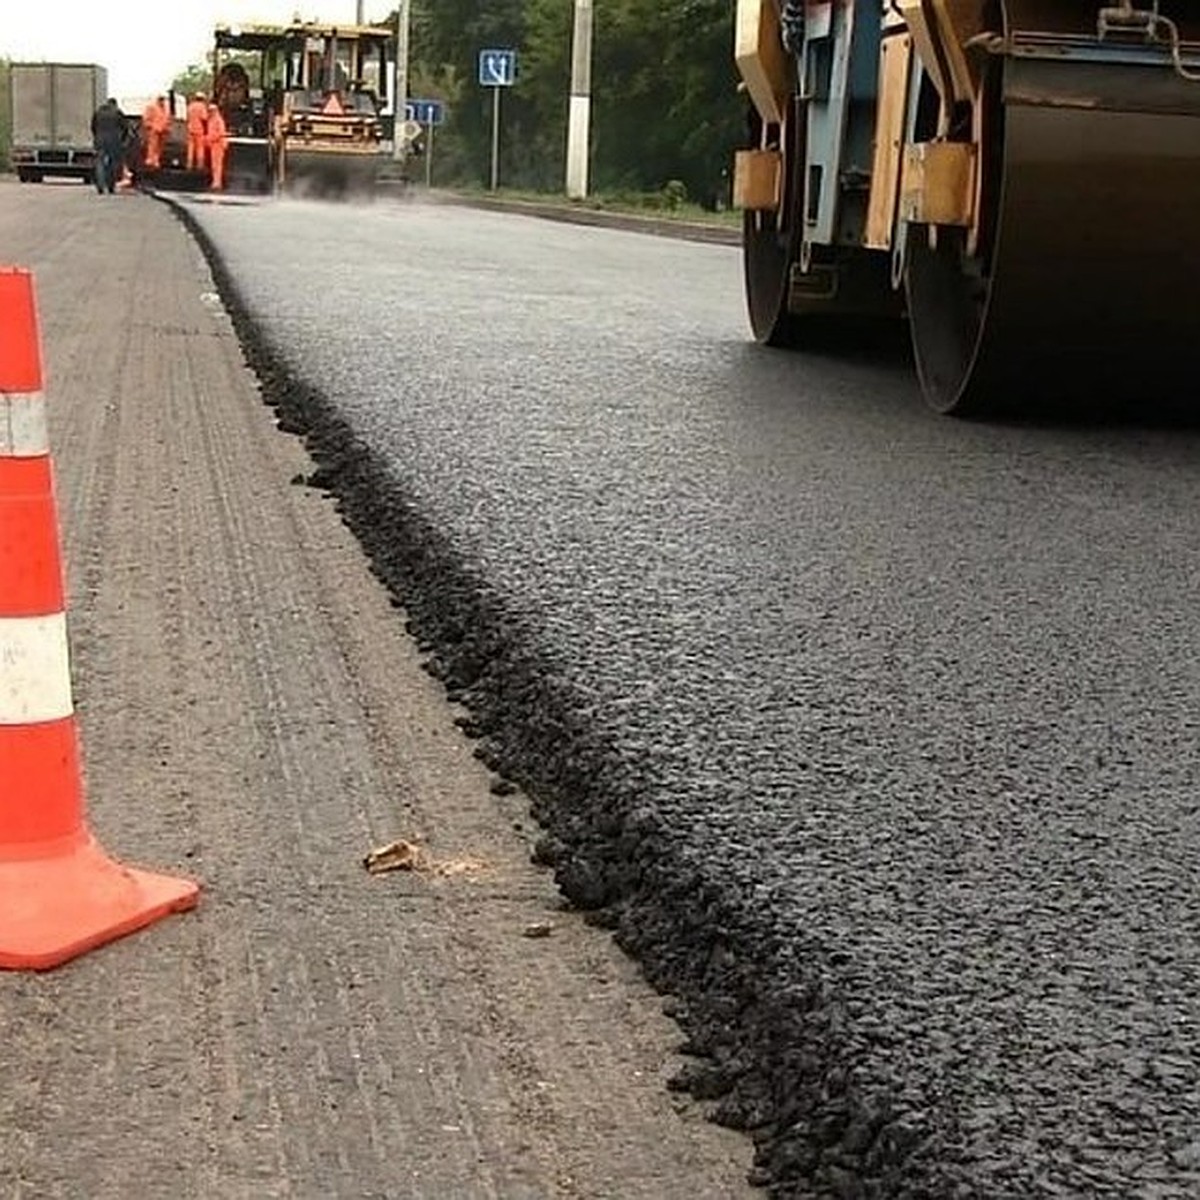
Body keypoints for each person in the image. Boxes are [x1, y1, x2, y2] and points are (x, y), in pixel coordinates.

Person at [90, 98, 125, 194]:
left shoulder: (98, 112)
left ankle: (100, 186)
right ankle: (111, 186)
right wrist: (122, 140)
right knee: (113, 164)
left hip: (100, 140)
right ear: (115, 104)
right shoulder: (117, 113)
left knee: (100, 163)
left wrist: (97, 136)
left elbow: (93, 127)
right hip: (114, 141)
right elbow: (124, 127)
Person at [141, 95, 170, 170]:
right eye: (161, 99)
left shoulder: (165, 109)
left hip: (162, 130)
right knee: (152, 146)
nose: (162, 101)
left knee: (159, 147)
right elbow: (146, 117)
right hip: (154, 130)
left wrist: (167, 128)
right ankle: (150, 161)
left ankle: (156, 160)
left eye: (163, 99)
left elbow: (167, 119)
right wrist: (149, 125)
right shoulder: (151, 107)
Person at [205, 102, 228, 191]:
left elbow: (221, 133)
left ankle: (217, 183)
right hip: (214, 145)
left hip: (218, 144)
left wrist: (210, 138)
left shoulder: (218, 120)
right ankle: (215, 182)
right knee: (214, 165)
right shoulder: (211, 120)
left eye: (212, 111)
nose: (210, 112)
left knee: (217, 165)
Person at [186, 91, 208, 172]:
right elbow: (204, 118)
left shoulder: (190, 106)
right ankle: (200, 165)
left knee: (191, 148)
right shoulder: (202, 106)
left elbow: (187, 117)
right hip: (199, 129)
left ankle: (189, 164)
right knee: (199, 148)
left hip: (190, 128)